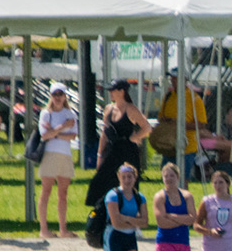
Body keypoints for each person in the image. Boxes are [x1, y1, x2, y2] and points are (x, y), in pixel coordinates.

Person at [87, 78, 149, 207]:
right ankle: (102, 209)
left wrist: (135, 137)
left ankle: (129, 209)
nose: (110, 93)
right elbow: (105, 133)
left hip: (127, 152)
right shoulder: (109, 109)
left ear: (122, 91)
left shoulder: (131, 109)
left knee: (127, 182)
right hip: (111, 150)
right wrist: (100, 154)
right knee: (99, 182)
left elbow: (147, 128)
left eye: (113, 90)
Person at [31, 81, 78, 240]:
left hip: (65, 154)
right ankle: (43, 229)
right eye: (55, 94)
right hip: (49, 154)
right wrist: (62, 127)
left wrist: (54, 132)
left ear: (65, 96)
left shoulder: (70, 114)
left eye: (60, 94)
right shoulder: (46, 113)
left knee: (63, 193)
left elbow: (73, 136)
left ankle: (63, 229)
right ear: (51, 96)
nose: (57, 97)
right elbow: (45, 135)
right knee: (46, 191)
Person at [156, 69, 206, 178]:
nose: (172, 80)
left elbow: (201, 124)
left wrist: (179, 125)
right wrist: (166, 123)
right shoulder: (168, 96)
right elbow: (160, 117)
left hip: (186, 146)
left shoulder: (195, 99)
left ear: (185, 79)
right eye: (172, 78)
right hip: (169, 145)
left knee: (182, 178)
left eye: (175, 78)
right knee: (167, 177)